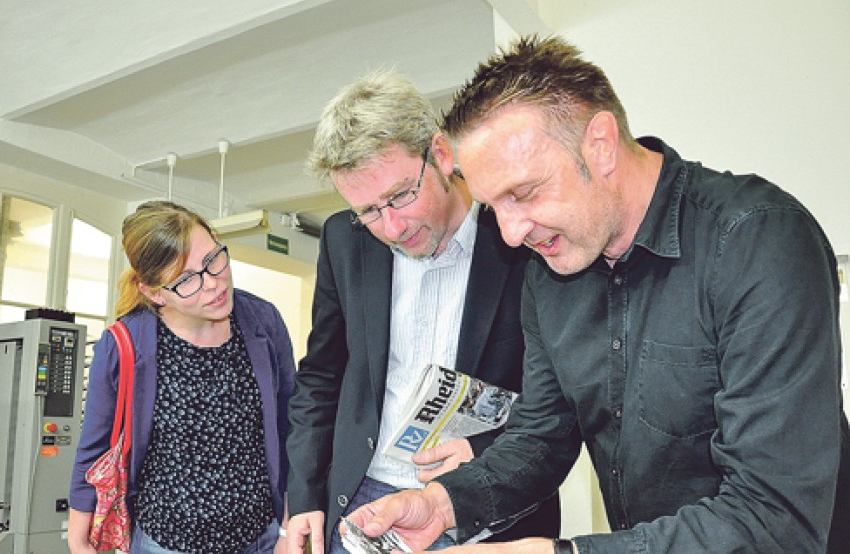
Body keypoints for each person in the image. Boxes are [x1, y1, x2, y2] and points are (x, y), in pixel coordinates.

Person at [346, 35, 850, 553]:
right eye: (495, 206)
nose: (513, 233)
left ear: (600, 146)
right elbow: (542, 436)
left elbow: (773, 515)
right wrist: (445, 503)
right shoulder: (548, 271)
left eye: (523, 193)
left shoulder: (755, 240)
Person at [283, 70, 560, 554]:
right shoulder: (345, 240)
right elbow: (322, 375)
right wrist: (303, 495)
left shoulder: (521, 234)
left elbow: (560, 395)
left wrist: (483, 452)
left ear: (440, 154)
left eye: (400, 196)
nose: (390, 226)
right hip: (364, 498)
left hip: (482, 504)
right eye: (368, 210)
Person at [68, 201, 296, 554]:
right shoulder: (124, 344)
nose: (213, 285)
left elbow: (291, 429)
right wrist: (79, 540)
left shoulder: (263, 322)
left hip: (261, 540)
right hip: (166, 543)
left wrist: (286, 529)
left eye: (213, 260)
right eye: (187, 280)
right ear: (155, 293)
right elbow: (95, 448)